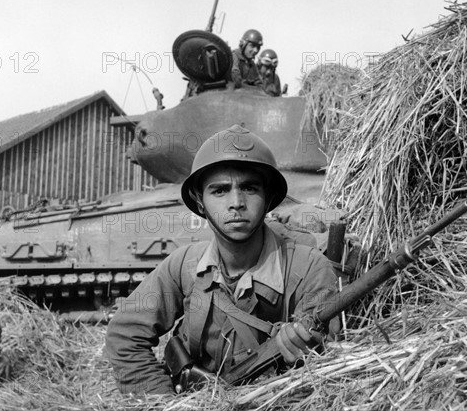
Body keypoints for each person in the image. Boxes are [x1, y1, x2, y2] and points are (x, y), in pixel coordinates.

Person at [106, 124, 340, 394]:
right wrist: (163, 402)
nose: (236, 202)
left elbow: (327, 355)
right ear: (200, 200)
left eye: (250, 188)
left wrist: (305, 349)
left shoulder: (309, 268)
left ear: (269, 198)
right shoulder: (184, 266)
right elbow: (125, 334)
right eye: (219, 191)